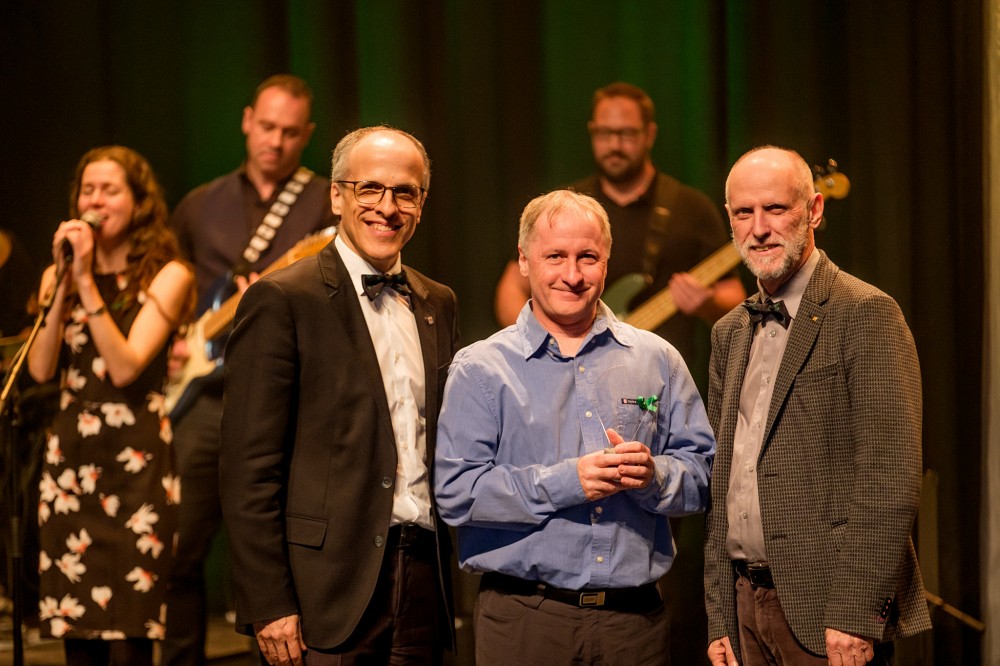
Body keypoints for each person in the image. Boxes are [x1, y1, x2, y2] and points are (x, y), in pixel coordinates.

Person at [436, 189, 715, 666]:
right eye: (555, 256)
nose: (572, 274)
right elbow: (457, 493)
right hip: (525, 621)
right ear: (524, 261)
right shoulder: (482, 368)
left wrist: (655, 478)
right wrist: (569, 482)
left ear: (606, 261)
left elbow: (704, 475)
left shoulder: (658, 359)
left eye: (587, 257)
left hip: (636, 625)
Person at [219, 126, 459, 665]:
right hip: (319, 594)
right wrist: (268, 602)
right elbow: (247, 469)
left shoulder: (437, 302)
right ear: (336, 195)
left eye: (405, 192)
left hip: (422, 578)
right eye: (369, 188)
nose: (387, 207)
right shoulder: (281, 299)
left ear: (422, 203)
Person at [704, 146, 931, 666]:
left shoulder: (865, 313)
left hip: (827, 613)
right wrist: (719, 615)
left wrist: (856, 614)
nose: (759, 228)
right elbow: (723, 480)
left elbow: (891, 477)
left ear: (815, 210)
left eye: (775, 209)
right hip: (744, 608)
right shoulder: (730, 332)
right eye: (744, 213)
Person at [163, 74, 336, 665]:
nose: (277, 141)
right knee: (177, 548)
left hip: (292, 398)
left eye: (291, 132)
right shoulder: (200, 204)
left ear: (307, 135)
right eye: (267, 127)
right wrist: (170, 343)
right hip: (206, 398)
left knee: (282, 549)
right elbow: (165, 288)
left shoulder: (325, 201)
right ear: (246, 121)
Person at [26, 146, 195, 665]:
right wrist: (63, 281)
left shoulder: (168, 275)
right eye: (88, 190)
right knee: (79, 637)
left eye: (110, 190)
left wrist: (83, 285)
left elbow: (124, 367)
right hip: (71, 465)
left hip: (134, 467)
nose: (95, 200)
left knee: (128, 636)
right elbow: (39, 368)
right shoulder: (59, 276)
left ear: (139, 202)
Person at [494, 82, 746, 363]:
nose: (614, 145)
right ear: (592, 132)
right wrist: (541, 347)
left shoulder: (691, 207)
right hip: (574, 369)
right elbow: (511, 286)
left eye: (626, 134)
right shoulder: (565, 208)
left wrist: (708, 303)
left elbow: (734, 298)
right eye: (604, 133)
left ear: (649, 134)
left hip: (659, 374)